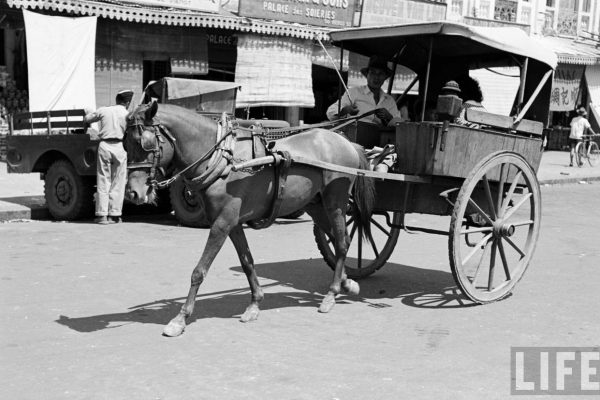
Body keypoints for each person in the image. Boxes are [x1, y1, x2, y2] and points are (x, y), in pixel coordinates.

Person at [84, 89, 133, 224]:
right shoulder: (128, 114)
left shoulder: (104, 110)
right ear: (127, 103)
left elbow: (87, 119)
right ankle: (114, 215)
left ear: (116, 100)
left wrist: (88, 111)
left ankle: (101, 215)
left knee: (103, 179)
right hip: (120, 147)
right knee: (118, 181)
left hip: (104, 145)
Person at [326, 55, 402, 126]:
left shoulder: (389, 101)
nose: (376, 77)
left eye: (380, 74)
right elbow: (330, 113)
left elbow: (400, 125)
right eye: (372, 73)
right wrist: (346, 110)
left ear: (385, 77)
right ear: (367, 75)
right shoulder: (354, 92)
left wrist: (389, 117)